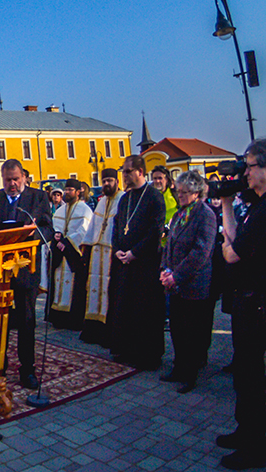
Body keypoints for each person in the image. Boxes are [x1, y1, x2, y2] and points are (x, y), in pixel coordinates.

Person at [0, 158, 54, 389]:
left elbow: (48, 229)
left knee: (27, 322)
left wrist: (33, 236)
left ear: (24, 178)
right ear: (2, 179)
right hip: (1, 271)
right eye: (8, 180)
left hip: (26, 270)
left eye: (16, 179)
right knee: (1, 321)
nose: (12, 184)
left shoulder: (38, 198)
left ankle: (27, 370)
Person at [216, 139, 266, 470]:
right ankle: (244, 429)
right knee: (244, 373)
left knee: (253, 376)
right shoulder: (255, 205)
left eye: (249, 166)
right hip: (246, 300)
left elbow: (232, 252)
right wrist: (227, 204)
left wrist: (227, 247)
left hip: (259, 302)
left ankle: (256, 446)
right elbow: (233, 239)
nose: (244, 172)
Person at [107, 155, 166, 370]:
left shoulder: (154, 197)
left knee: (145, 309)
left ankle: (148, 355)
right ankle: (126, 349)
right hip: (124, 263)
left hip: (145, 264)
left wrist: (134, 253)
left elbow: (155, 231)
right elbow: (117, 226)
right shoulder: (125, 198)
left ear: (140, 172)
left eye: (127, 172)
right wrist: (117, 249)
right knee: (126, 307)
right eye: (123, 172)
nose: (124, 176)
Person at [160, 171, 216, 394]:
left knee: (192, 331)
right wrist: (165, 269)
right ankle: (179, 367)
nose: (179, 195)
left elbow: (201, 252)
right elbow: (169, 245)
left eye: (184, 192)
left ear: (196, 192)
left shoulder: (206, 215)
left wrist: (177, 275)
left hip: (193, 284)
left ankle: (190, 373)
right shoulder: (180, 214)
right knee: (177, 329)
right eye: (178, 191)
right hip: (174, 284)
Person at [81, 168, 122, 346]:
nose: (106, 184)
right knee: (95, 290)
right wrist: (87, 245)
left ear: (117, 182)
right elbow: (93, 226)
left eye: (110, 180)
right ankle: (93, 331)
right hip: (97, 253)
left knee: (109, 292)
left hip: (112, 252)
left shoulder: (122, 200)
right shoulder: (101, 201)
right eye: (104, 181)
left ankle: (108, 332)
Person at [47, 179, 93, 330]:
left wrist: (67, 243)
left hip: (73, 254)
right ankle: (57, 317)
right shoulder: (61, 209)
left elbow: (84, 230)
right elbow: (55, 227)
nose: (67, 192)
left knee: (73, 285)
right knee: (58, 281)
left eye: (70, 190)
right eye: (66, 190)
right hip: (61, 254)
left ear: (78, 192)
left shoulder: (85, 210)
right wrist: (56, 236)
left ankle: (72, 319)